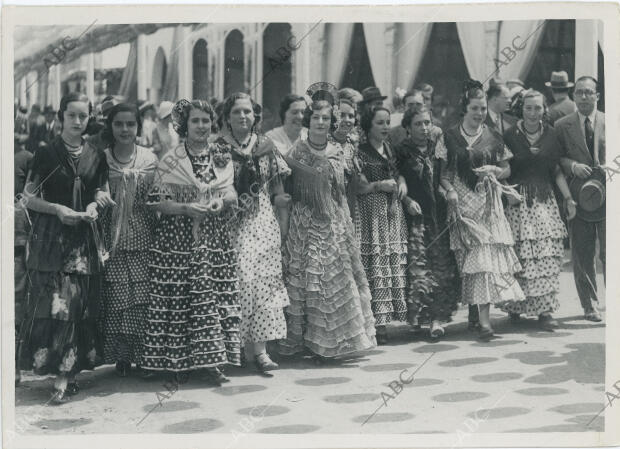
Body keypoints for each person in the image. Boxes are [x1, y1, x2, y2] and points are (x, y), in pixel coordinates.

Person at [19, 92, 114, 404]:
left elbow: (101, 190)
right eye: (71, 115)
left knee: (77, 306)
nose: (77, 121)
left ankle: (66, 374)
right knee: (55, 307)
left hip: (82, 240)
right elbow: (27, 198)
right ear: (60, 117)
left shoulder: (96, 154)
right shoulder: (46, 152)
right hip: (50, 240)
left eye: (83, 116)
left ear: (89, 118)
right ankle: (60, 372)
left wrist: (94, 204)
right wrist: (58, 209)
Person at [142, 99, 241, 384]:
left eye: (205, 121)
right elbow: (156, 203)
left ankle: (213, 362)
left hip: (213, 237)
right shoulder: (171, 158)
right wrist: (185, 209)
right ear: (184, 126)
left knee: (211, 296)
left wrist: (220, 203)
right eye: (195, 121)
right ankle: (178, 362)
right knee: (181, 297)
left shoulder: (221, 155)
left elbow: (232, 192)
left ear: (212, 124)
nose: (201, 126)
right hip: (177, 238)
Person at [278, 92, 377, 360]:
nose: (321, 122)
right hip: (304, 221)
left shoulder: (337, 152)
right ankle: (309, 341)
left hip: (332, 219)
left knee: (336, 277)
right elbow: (286, 185)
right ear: (308, 121)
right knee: (310, 279)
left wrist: (343, 220)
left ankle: (338, 342)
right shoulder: (295, 152)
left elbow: (340, 190)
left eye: (326, 118)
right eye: (316, 118)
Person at [442, 80, 525, 340]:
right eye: (474, 108)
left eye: (482, 109)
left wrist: (495, 171)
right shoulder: (450, 136)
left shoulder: (493, 136)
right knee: (469, 263)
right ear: (465, 109)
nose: (479, 114)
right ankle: (475, 316)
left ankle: (485, 323)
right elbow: (443, 174)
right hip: (462, 204)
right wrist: (451, 192)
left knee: (485, 261)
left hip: (487, 204)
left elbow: (507, 168)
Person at [215, 92, 291, 373]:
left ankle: (260, 351)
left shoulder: (266, 147)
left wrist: (282, 229)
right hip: (229, 222)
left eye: (247, 112)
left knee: (263, 284)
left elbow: (278, 191)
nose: (243, 117)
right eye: (237, 112)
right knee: (237, 280)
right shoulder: (218, 148)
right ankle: (231, 350)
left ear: (255, 116)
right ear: (227, 117)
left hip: (262, 220)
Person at [497, 90, 573, 329]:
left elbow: (556, 171)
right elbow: (504, 169)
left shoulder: (552, 135)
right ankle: (515, 307)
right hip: (518, 203)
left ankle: (545, 311)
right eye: (528, 108)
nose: (533, 113)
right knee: (520, 255)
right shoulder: (509, 135)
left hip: (544, 202)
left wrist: (569, 198)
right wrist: (507, 192)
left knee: (545, 253)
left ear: (544, 109)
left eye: (537, 108)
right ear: (521, 109)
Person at [99, 103, 158, 376]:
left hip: (143, 234)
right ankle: (121, 357)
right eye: (119, 124)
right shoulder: (101, 159)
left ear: (138, 127)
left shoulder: (149, 158)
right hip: (111, 236)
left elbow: (158, 198)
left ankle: (143, 355)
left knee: (142, 298)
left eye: (130, 124)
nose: (125, 129)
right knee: (117, 298)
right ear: (110, 127)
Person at [396, 104, 460, 339]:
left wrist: (450, 192)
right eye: (418, 124)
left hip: (438, 216)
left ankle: (436, 319)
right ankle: (417, 318)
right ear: (407, 127)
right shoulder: (401, 151)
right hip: (415, 218)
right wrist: (407, 200)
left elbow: (445, 176)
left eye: (427, 123)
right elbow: (397, 178)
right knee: (418, 269)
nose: (424, 128)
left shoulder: (438, 148)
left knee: (440, 268)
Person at [357, 106, 415, 344]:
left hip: (392, 212)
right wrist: (380, 185)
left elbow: (399, 172)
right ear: (369, 125)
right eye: (379, 122)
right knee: (375, 264)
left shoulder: (390, 148)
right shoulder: (360, 152)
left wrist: (401, 184)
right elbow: (358, 185)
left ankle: (387, 318)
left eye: (387, 122)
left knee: (390, 264)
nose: (385, 127)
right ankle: (376, 325)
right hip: (372, 211)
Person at [555, 76, 605, 322]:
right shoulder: (562, 125)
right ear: (573, 96)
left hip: (608, 196)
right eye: (579, 92)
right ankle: (589, 305)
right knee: (582, 253)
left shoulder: (611, 120)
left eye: (589, 92)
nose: (584, 97)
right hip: (578, 198)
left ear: (598, 96)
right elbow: (556, 159)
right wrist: (572, 165)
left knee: (611, 252)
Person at [14, 129, 33, 385]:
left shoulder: (26, 158)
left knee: (16, 302)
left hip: (16, 238)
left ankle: (15, 365)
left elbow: (33, 196)